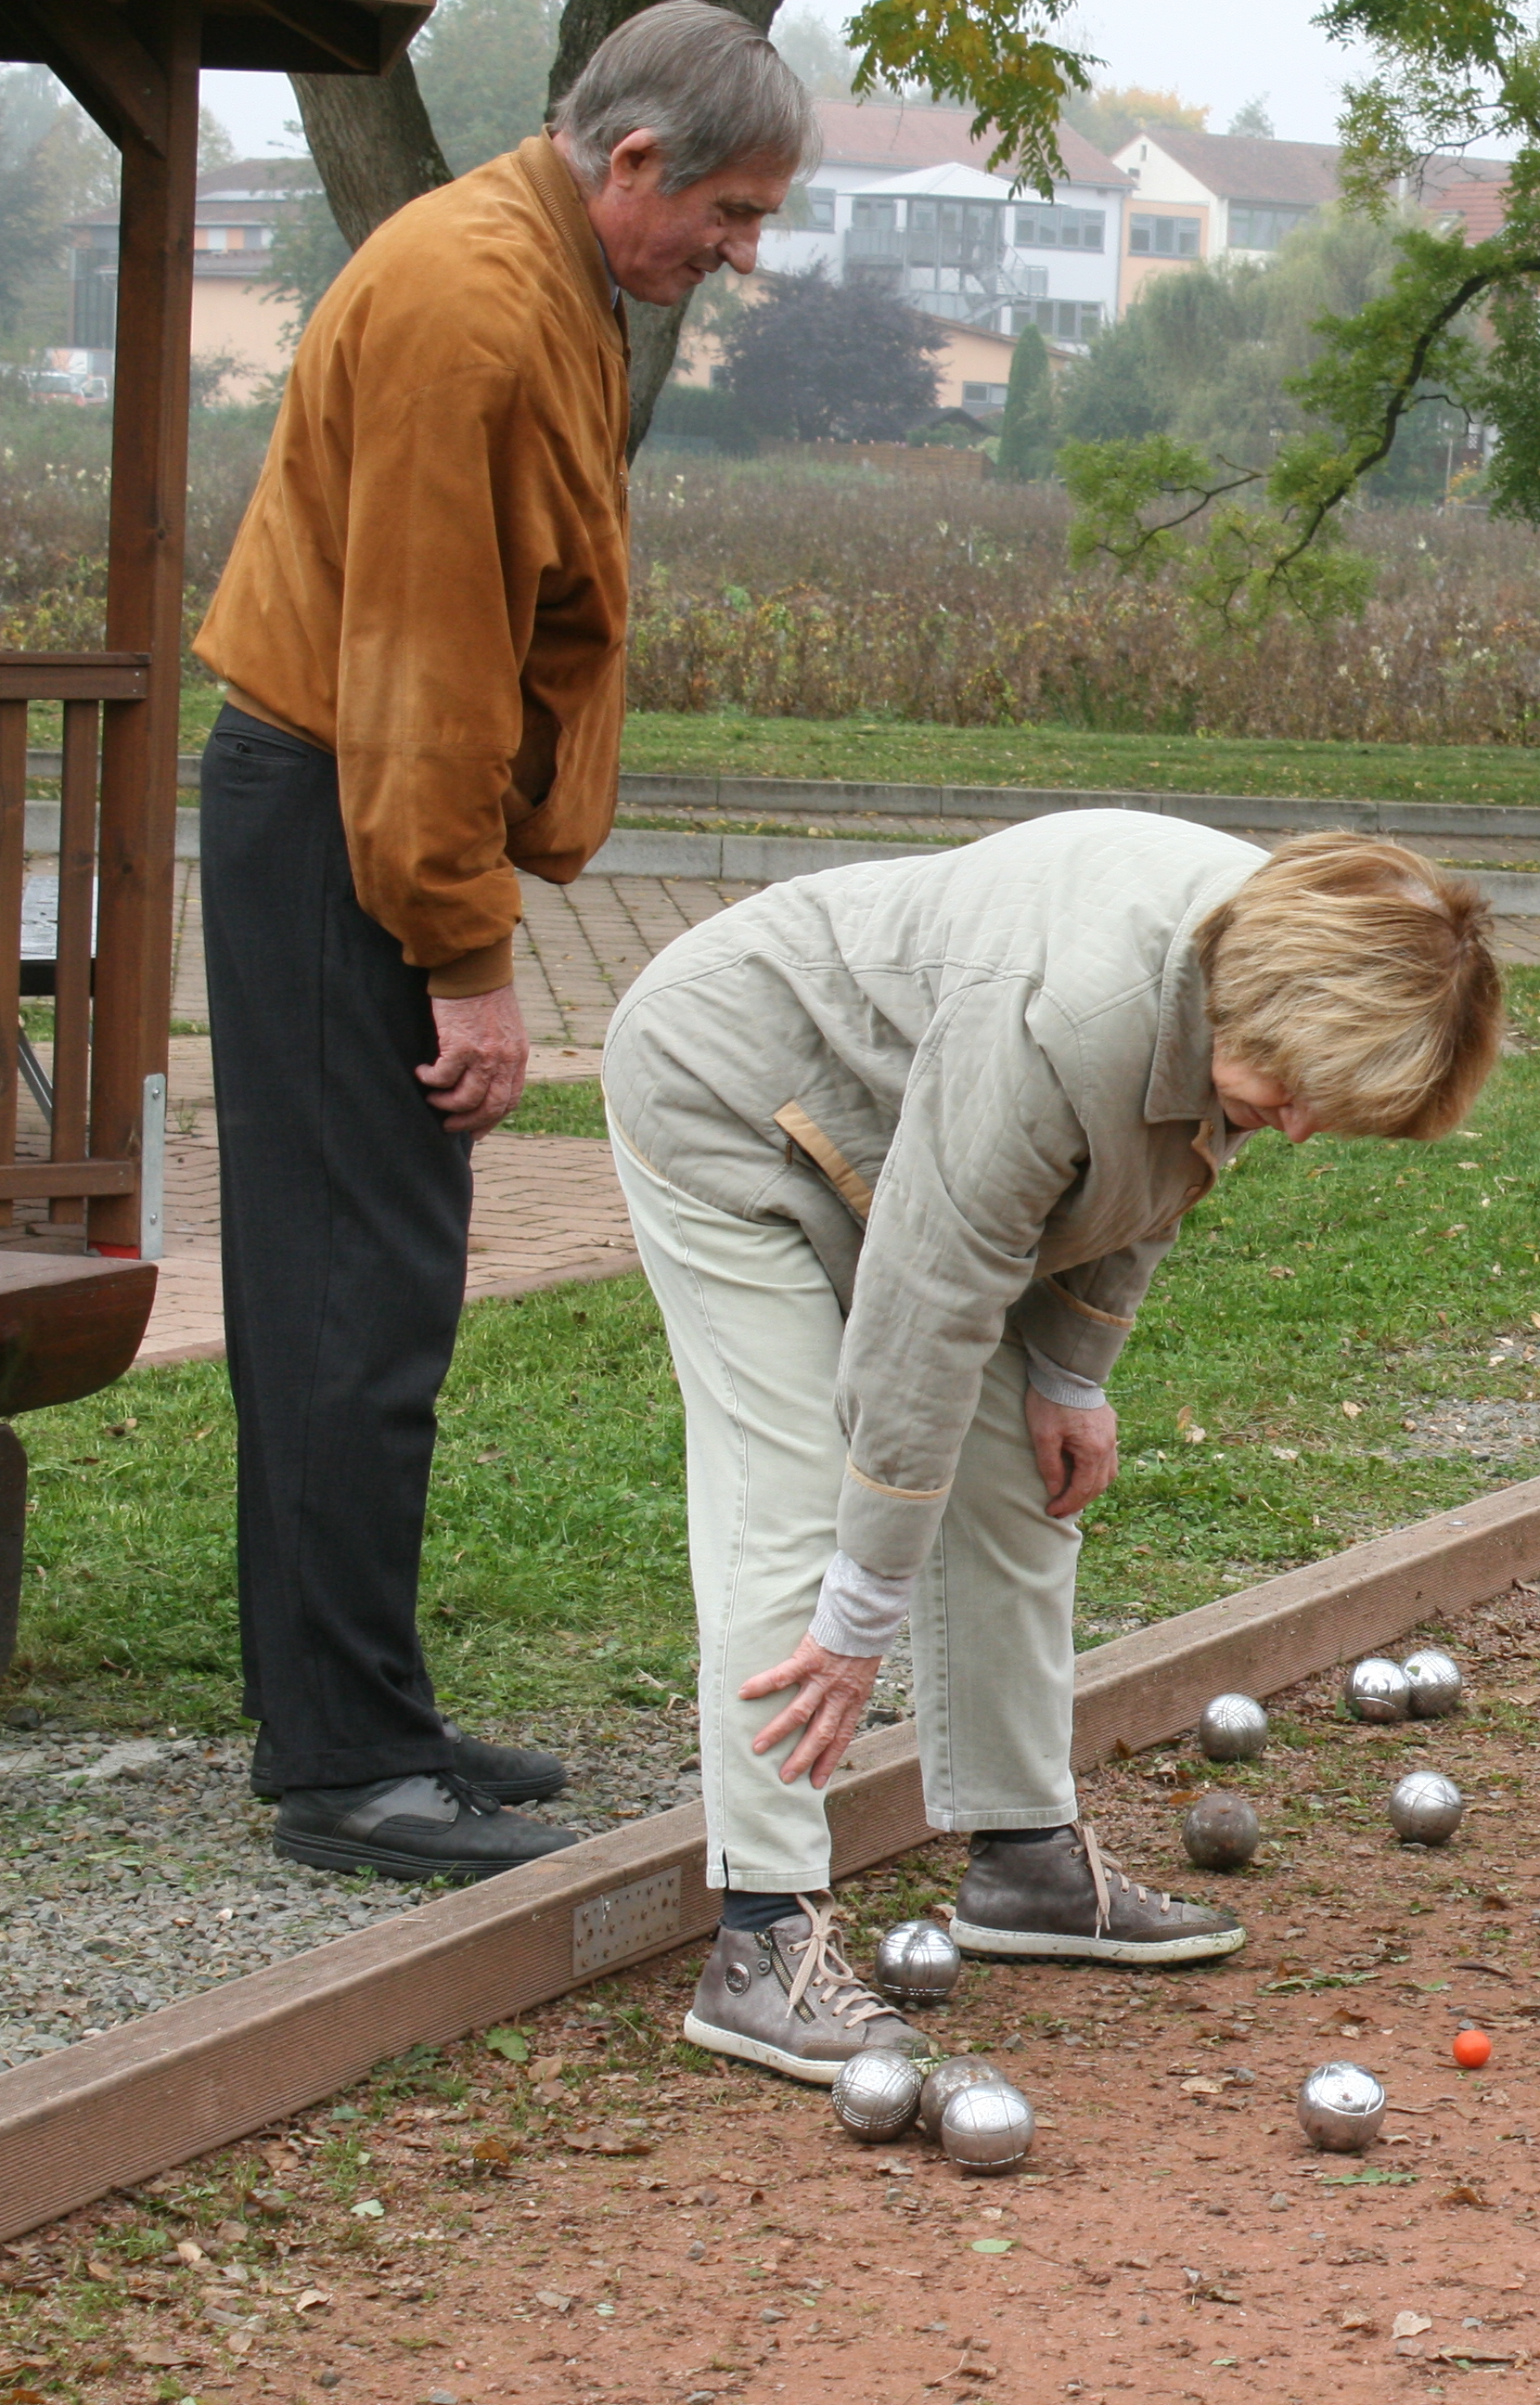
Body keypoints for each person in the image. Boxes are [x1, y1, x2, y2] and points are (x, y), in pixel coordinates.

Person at [190, 2, 807, 1880]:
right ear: (633, 164)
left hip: (361, 819)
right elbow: (420, 680)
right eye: (730, 211)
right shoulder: (471, 304)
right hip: (349, 828)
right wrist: (471, 962)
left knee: (381, 1291)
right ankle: (341, 1772)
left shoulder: (537, 273)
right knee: (343, 1305)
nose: (738, 252)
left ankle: (366, 1711)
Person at [603, 818, 1503, 2081]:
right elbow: (928, 1305)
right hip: (729, 1089)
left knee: (1028, 1468)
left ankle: (1022, 1857)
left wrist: (1072, 1372)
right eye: (1297, 1095)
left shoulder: (1267, 973)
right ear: (1253, 1003)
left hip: (910, 1126)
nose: (1295, 1131)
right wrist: (862, 1611)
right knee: (798, 1496)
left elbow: (1155, 1162)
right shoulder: (1065, 1019)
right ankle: (760, 1935)